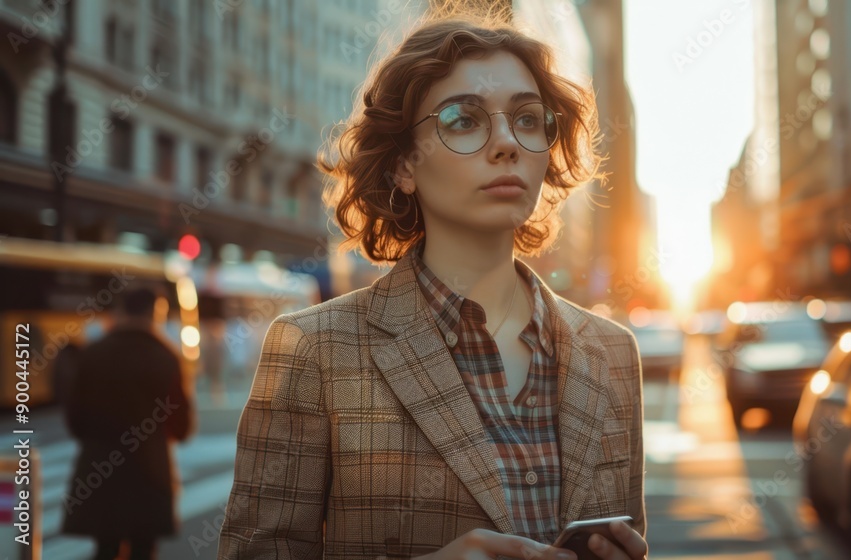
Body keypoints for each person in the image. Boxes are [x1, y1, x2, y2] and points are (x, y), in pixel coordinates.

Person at [218, 8, 647, 560]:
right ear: (403, 166)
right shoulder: (315, 349)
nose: (506, 143)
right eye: (463, 120)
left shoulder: (613, 352)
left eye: (528, 119)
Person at [63, 286, 195, 559]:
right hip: (149, 473)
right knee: (143, 549)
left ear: (122, 311)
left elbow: (75, 418)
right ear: (155, 313)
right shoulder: (166, 358)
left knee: (105, 546)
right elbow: (181, 426)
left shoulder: (93, 353)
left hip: (100, 470)